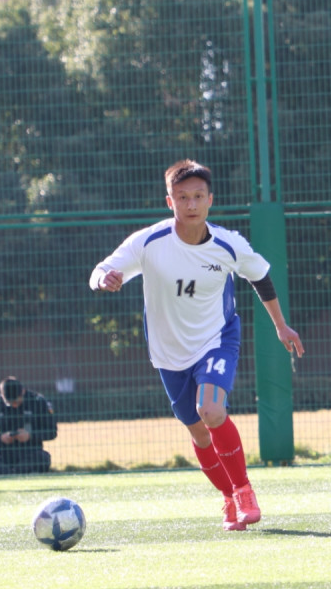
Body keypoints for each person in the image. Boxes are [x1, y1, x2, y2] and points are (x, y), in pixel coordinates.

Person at [89, 159, 304, 531]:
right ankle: (229, 497)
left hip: (216, 339)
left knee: (211, 410)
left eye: (198, 196)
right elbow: (101, 270)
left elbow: (261, 277)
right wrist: (103, 280)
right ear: (169, 201)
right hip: (168, 352)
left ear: (210, 200)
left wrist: (281, 326)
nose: (191, 204)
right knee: (199, 432)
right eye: (182, 197)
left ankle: (244, 490)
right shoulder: (148, 242)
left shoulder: (228, 244)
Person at [0, 377, 57, 475]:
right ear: (2, 396)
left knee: (43, 458)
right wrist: (0, 438)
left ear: (23, 391)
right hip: (4, 455)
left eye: (16, 401)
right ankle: (13, 473)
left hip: (31, 453)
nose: (14, 405)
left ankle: (11, 474)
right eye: (10, 403)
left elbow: (52, 432)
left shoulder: (38, 401)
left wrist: (30, 436)